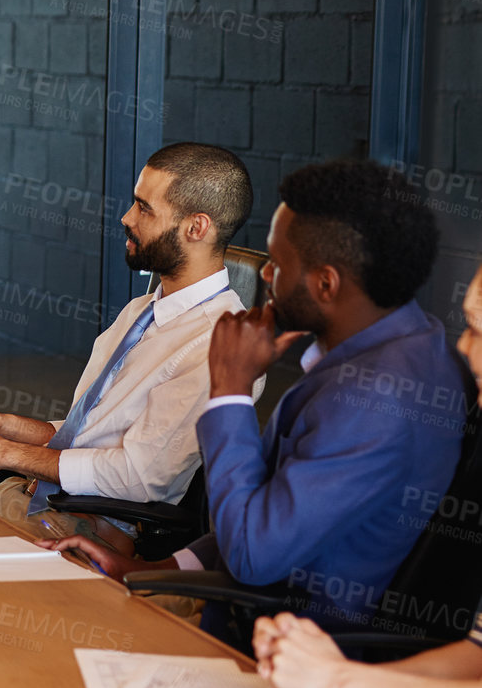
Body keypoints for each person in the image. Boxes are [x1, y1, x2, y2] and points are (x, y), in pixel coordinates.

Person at [50, 159, 467, 632]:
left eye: (277, 264)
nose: (265, 276)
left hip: (279, 648)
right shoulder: (405, 342)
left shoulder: (373, 400)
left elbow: (253, 554)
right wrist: (149, 571)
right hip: (237, 602)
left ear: (325, 284)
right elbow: (269, 507)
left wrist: (230, 391)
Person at [0, 142, 254, 549]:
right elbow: (91, 435)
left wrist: (4, 453)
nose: (127, 218)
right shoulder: (144, 309)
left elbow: (137, 477)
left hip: (88, 534)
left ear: (196, 228)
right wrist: (6, 427)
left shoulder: (215, 343)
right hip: (43, 505)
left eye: (144, 208)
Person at [252, 260, 482, 688]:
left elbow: (255, 552)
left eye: (479, 331)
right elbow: (476, 657)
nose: (464, 350)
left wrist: (340, 681)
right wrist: (328, 673)